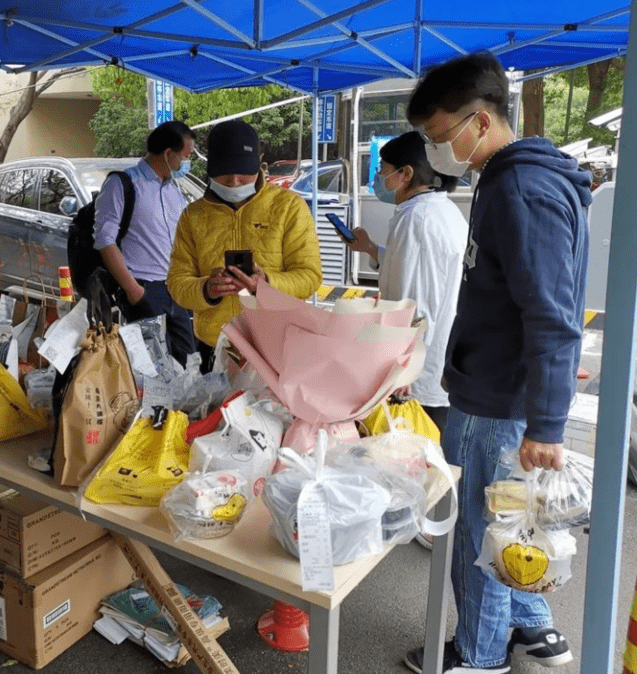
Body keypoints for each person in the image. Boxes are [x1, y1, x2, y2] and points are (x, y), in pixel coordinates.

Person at [402, 52, 591, 674]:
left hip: (496, 399)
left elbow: (552, 314)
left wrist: (547, 423)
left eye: (438, 136)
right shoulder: (520, 176)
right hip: (502, 388)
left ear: (479, 122)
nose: (436, 151)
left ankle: (478, 654)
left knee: (484, 531)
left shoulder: (520, 188)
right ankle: (534, 626)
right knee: (515, 523)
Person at [167, 119, 322, 372]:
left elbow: (310, 277)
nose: (235, 181)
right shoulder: (192, 216)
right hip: (214, 345)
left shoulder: (289, 208)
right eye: (225, 172)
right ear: (210, 167)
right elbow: (177, 283)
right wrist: (207, 289)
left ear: (259, 162)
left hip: (276, 345)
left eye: (243, 171)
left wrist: (267, 285)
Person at [347, 131, 468, 433]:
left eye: (382, 169)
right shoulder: (435, 211)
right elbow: (412, 269)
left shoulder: (419, 220)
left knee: (412, 461)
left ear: (406, 174)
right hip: (428, 364)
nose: (378, 177)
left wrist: (404, 370)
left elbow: (419, 302)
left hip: (417, 380)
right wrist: (372, 250)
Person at [93, 120, 196, 366]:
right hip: (144, 289)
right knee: (151, 367)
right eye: (186, 156)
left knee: (186, 360)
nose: (187, 163)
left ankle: (179, 407)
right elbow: (105, 241)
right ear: (168, 154)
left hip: (176, 289)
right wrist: (134, 291)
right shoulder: (123, 184)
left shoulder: (173, 190)